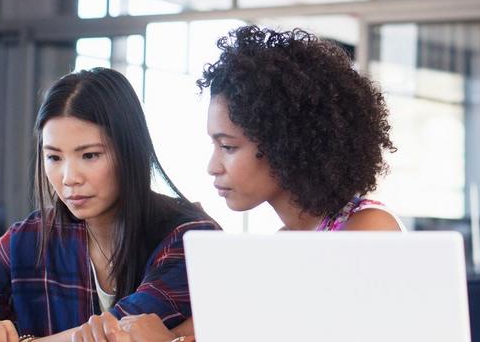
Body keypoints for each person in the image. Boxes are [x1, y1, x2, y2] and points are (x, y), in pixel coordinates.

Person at [88, 25, 405, 341]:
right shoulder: (282, 247)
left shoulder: (368, 227)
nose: (212, 167)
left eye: (227, 147)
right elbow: (208, 329)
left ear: (284, 144)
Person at [0, 68, 218, 342]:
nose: (69, 178)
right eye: (54, 157)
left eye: (89, 155)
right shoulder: (28, 238)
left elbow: (119, 333)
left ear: (130, 151)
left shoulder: (190, 238)